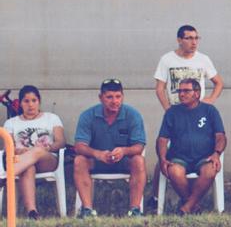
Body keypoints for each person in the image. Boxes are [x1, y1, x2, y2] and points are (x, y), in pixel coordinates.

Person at [73, 79, 148, 217]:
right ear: (100, 98)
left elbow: (139, 146)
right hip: (96, 161)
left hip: (124, 161)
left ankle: (135, 210)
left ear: (123, 96)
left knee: (139, 160)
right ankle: (87, 210)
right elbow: (79, 146)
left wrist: (124, 150)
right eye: (109, 97)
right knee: (79, 160)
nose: (114, 101)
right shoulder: (88, 115)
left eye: (118, 96)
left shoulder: (133, 115)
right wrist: (97, 154)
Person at [155, 78, 226, 215]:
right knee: (174, 172)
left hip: (205, 157)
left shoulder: (210, 111)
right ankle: (193, 206)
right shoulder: (172, 112)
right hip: (179, 157)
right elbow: (162, 139)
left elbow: (221, 136)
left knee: (211, 170)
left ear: (197, 93)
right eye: (180, 91)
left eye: (186, 91)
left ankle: (187, 207)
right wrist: (162, 158)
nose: (182, 94)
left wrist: (217, 153)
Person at [2, 85, 66, 219]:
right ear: (20, 103)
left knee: (37, 150)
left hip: (47, 159)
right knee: (28, 166)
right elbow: (8, 147)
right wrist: (19, 150)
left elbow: (61, 142)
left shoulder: (51, 118)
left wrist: (47, 148)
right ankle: (32, 212)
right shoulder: (11, 122)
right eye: (26, 101)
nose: (30, 105)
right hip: (22, 161)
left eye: (34, 100)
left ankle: (5, 177)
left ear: (39, 101)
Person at [154, 24, 223, 110]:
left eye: (196, 38)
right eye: (189, 38)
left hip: (198, 111)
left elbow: (218, 82)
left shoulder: (203, 59)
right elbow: (160, 88)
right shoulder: (167, 59)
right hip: (176, 111)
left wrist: (211, 100)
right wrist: (167, 109)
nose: (194, 42)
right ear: (179, 40)